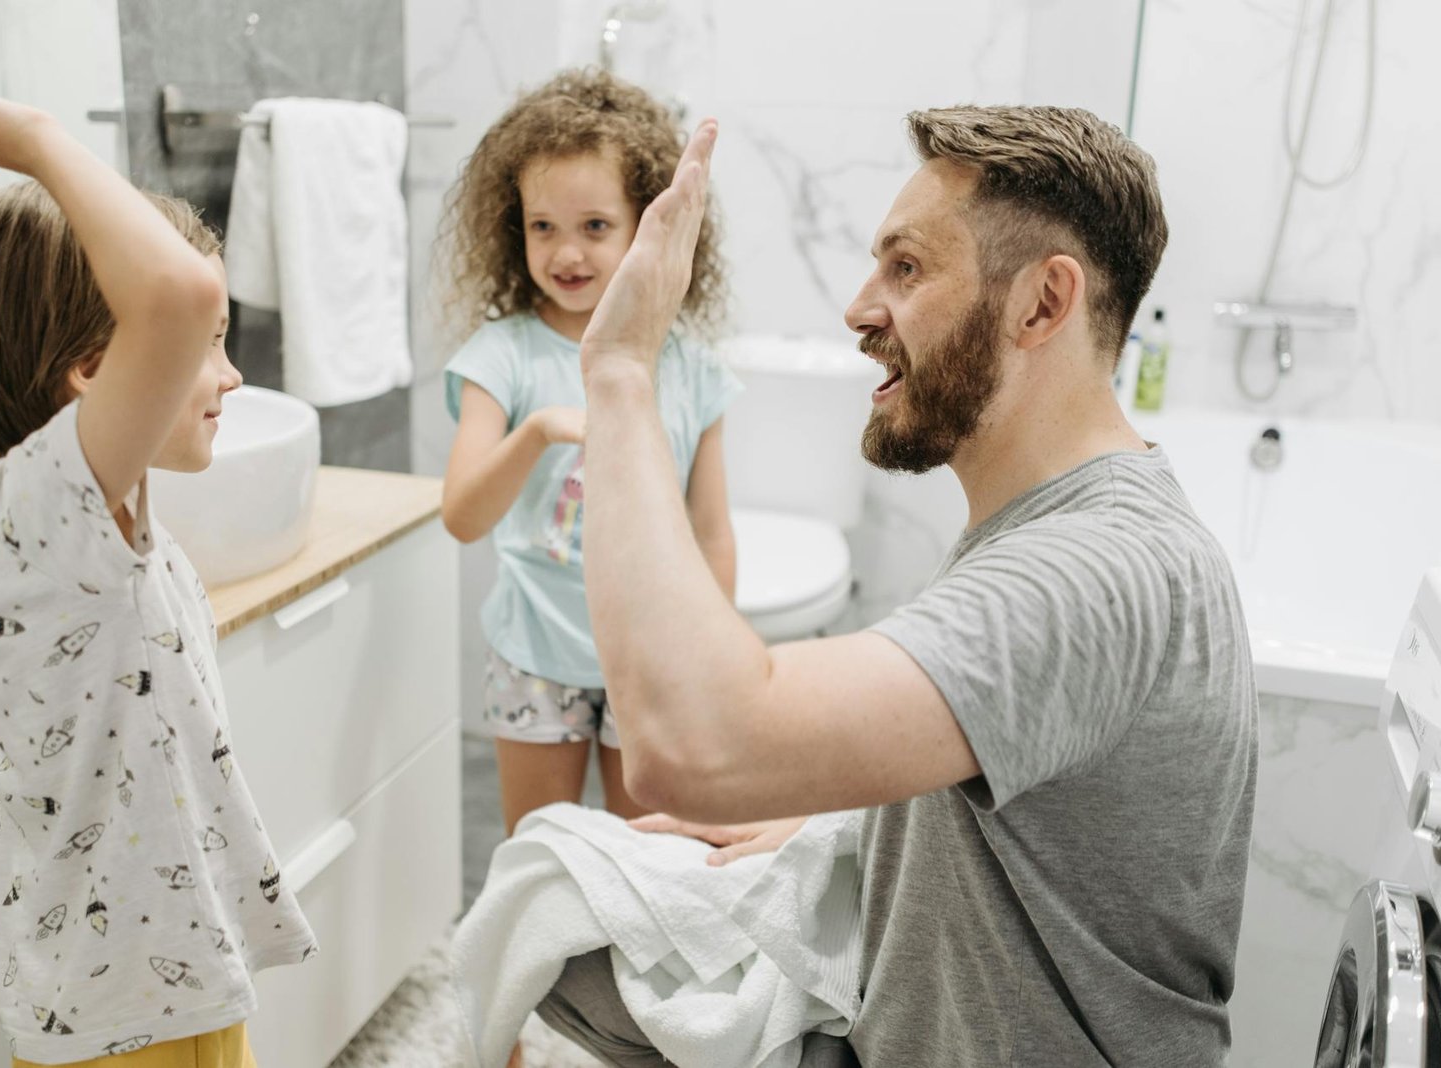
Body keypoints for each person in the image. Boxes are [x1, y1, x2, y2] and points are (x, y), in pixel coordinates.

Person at [534, 106, 1258, 1067]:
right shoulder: (1046, 523)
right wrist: (841, 810)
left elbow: (684, 745)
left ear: (1042, 305)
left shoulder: (1094, 569)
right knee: (562, 923)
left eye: (907, 269)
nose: (860, 306)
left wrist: (621, 371)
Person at [0, 67, 316, 1067]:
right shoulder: (58, 507)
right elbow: (177, 293)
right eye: (211, 348)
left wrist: (0, 647)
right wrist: (36, 142)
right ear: (94, 375)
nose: (230, 376)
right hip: (147, 999)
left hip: (88, 988)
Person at [437, 69, 739, 837]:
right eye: (544, 226)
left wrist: (716, 655)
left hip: (651, 657)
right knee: (540, 862)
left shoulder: (691, 366)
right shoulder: (500, 357)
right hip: (534, 653)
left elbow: (710, 531)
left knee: (650, 863)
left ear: (647, 225)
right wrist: (535, 432)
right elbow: (463, 516)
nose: (566, 251)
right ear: (517, 228)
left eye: (596, 226)